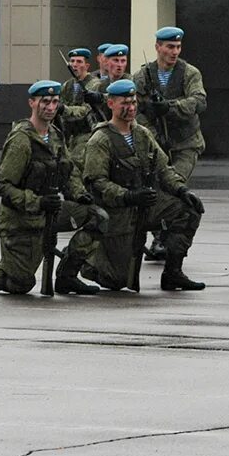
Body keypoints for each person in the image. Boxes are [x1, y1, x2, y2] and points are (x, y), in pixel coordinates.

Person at [0, 80, 108, 296]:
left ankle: (67, 275)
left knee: (97, 216)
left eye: (55, 102)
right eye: (45, 102)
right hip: (21, 219)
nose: (50, 107)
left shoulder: (56, 135)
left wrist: (79, 194)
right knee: (20, 284)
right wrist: (37, 202)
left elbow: (69, 171)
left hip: (50, 212)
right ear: (32, 103)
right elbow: (4, 187)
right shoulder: (21, 139)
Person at [81, 79, 205, 291]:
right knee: (118, 281)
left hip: (145, 207)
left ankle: (173, 273)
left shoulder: (142, 134)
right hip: (118, 212)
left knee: (187, 210)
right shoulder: (100, 140)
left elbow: (164, 169)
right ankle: (90, 260)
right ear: (110, 104)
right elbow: (96, 183)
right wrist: (127, 196)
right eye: (124, 103)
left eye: (133, 103)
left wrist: (180, 189)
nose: (130, 108)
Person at [133, 27, 207, 182]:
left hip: (185, 142)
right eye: (170, 47)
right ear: (157, 47)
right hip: (155, 144)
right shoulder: (142, 76)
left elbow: (199, 101)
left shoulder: (189, 73)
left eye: (178, 47)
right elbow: (136, 110)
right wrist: (151, 133)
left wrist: (170, 107)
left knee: (174, 183)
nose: (175, 52)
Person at [59, 47, 105, 164]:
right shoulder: (67, 85)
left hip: (87, 132)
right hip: (70, 134)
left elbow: (85, 110)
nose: (74, 65)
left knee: (77, 163)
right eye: (72, 61)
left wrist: (64, 109)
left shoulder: (94, 84)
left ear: (87, 66)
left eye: (79, 62)